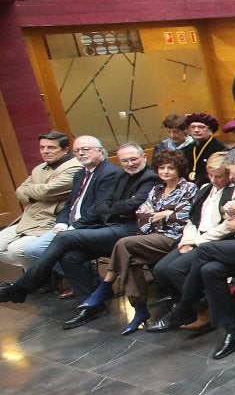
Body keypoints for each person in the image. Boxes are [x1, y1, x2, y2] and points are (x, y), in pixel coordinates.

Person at [146, 147, 235, 360]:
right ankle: (233, 330)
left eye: (231, 171)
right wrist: (233, 213)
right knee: (210, 269)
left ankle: (184, 308)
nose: (231, 176)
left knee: (205, 250)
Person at [0, 141, 157, 306]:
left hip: (132, 230)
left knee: (63, 238)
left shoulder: (149, 177)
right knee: (70, 256)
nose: (130, 164)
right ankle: (91, 303)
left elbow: (132, 206)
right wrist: (118, 207)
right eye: (125, 161)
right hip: (110, 226)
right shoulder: (121, 175)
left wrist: (115, 207)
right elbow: (101, 205)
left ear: (144, 157)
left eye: (134, 159)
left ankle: (22, 287)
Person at [61, 149, 196, 329]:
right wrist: (162, 215)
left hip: (174, 237)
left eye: (170, 168)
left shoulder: (188, 187)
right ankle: (140, 309)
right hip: (151, 236)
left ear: (179, 169)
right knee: (130, 260)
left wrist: (159, 216)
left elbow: (185, 218)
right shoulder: (157, 189)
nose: (165, 171)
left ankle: (106, 285)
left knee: (124, 243)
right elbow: (141, 215)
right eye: (161, 168)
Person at [0, 132, 79, 269]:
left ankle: (38, 278)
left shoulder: (75, 167)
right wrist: (38, 193)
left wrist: (34, 191)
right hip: (29, 219)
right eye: (42, 147)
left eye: (51, 147)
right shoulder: (40, 168)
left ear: (65, 149)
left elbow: (47, 191)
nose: (45, 151)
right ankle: (44, 272)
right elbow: (19, 192)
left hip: (51, 220)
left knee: (17, 250)